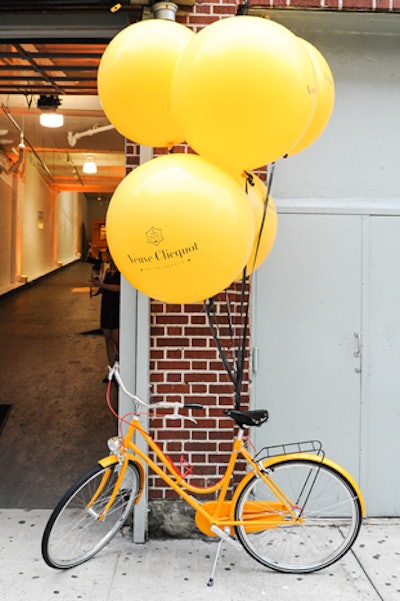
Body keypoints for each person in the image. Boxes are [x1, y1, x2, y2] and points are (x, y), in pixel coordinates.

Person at [91, 249, 121, 382]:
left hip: (115, 306)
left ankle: (122, 369)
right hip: (107, 305)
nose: (106, 256)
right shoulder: (108, 271)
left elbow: (119, 288)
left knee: (117, 338)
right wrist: (99, 287)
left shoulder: (121, 272)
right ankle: (113, 369)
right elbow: (108, 287)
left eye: (108, 254)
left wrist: (102, 284)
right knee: (108, 338)